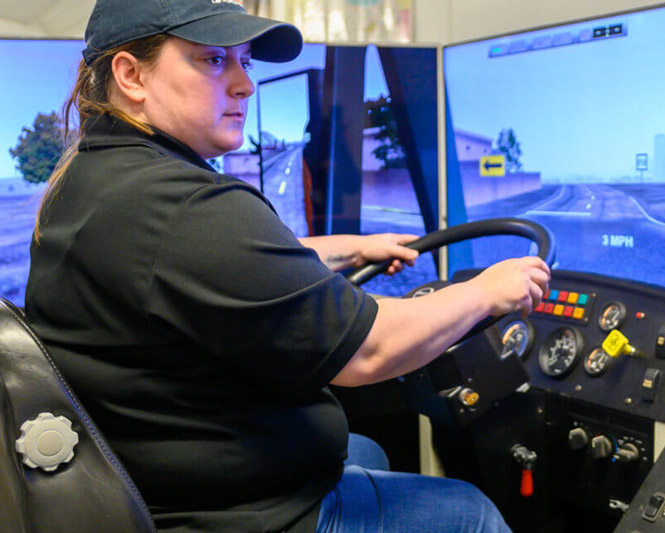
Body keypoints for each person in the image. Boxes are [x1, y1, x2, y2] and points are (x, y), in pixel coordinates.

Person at [24, 1, 551, 531]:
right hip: (233, 515)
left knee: (366, 449)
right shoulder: (185, 206)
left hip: (156, 481)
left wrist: (351, 247)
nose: (243, 85)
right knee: (470, 512)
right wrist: (487, 291)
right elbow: (371, 350)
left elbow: (224, 269)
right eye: (212, 61)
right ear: (131, 75)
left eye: (245, 62)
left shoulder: (94, 181)